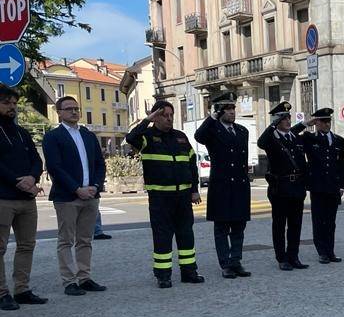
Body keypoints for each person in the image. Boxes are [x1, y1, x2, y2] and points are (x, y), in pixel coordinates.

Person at [126, 100, 204, 288]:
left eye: (171, 115)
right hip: (160, 198)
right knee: (162, 236)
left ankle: (189, 271)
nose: (169, 119)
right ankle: (163, 275)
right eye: (164, 115)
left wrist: (194, 190)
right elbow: (131, 137)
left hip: (183, 197)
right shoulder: (147, 137)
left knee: (186, 234)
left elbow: (192, 165)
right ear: (155, 117)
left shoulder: (181, 137)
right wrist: (148, 120)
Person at [42, 95, 107, 296]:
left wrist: (95, 186)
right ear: (59, 113)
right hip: (67, 197)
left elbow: (99, 164)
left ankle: (84, 277)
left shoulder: (88, 135)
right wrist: (76, 188)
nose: (74, 112)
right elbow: (55, 167)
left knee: (85, 239)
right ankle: (69, 281)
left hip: (91, 195)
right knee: (65, 240)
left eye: (76, 108)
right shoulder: (53, 137)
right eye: (69, 109)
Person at [194, 93, 252, 278]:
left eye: (233, 108)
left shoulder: (242, 131)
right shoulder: (212, 130)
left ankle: (236, 261)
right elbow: (199, 136)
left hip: (240, 186)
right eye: (227, 109)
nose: (232, 112)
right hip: (222, 186)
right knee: (221, 228)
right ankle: (225, 264)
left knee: (238, 227)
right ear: (219, 111)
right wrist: (211, 117)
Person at [0, 85, 46, 310]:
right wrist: (18, 181)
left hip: (26, 199)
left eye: (14, 103)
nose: (11, 107)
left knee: (27, 245)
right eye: (6, 103)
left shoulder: (21, 132)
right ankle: (1, 293)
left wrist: (32, 177)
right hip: (3, 198)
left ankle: (22, 289)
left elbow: (37, 160)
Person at [257, 101, 309, 271]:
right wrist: (272, 124)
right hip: (280, 187)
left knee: (296, 224)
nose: (288, 120)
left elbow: (302, 162)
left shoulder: (294, 137)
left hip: (297, 187)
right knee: (279, 225)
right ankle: (282, 258)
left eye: (288, 117)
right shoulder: (272, 139)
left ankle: (293, 256)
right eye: (284, 118)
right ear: (277, 120)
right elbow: (261, 142)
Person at [294, 107, 344, 264]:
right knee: (319, 220)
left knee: (331, 221)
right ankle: (322, 251)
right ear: (316, 123)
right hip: (317, 186)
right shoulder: (309, 138)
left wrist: (342, 185)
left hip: (333, 186)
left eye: (328, 121)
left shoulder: (338, 140)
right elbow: (292, 135)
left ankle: (330, 251)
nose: (326, 124)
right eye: (323, 121)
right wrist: (305, 123)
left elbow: (341, 164)